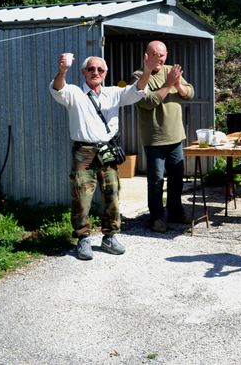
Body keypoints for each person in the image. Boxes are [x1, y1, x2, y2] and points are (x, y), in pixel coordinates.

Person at [50, 53, 149, 261]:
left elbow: (137, 90)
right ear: (83, 72)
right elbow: (58, 89)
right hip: (83, 152)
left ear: (105, 73)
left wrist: (147, 70)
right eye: (91, 69)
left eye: (100, 70)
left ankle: (110, 236)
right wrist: (62, 71)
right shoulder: (75, 93)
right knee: (81, 196)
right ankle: (83, 238)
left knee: (112, 194)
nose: (95, 72)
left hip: (107, 152)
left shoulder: (114, 93)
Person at [135, 40, 195, 233]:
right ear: (147, 56)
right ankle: (156, 218)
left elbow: (190, 93)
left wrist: (178, 84)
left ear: (166, 55)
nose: (158, 58)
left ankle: (176, 211)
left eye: (161, 54)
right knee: (156, 180)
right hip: (155, 139)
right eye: (154, 54)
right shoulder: (138, 76)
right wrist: (170, 84)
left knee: (177, 178)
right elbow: (149, 101)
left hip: (176, 136)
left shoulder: (171, 70)